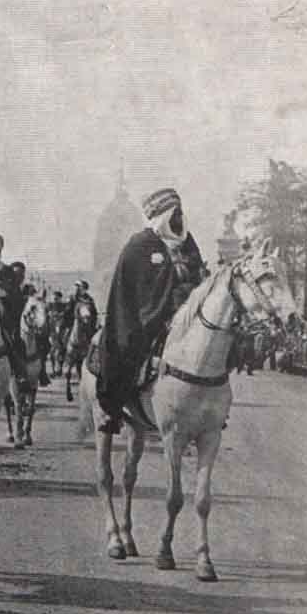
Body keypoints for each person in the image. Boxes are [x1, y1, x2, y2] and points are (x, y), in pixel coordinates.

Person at [95, 186, 206, 434]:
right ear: (163, 215)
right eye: (174, 214)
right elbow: (129, 290)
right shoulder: (140, 245)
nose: (179, 219)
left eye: (180, 213)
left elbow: (200, 275)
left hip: (187, 316)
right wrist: (163, 307)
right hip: (148, 316)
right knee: (125, 347)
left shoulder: (188, 243)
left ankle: (211, 407)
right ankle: (112, 409)